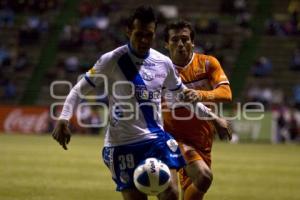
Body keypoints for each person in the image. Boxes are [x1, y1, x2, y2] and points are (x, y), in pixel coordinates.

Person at [52, 6, 231, 200]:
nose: (144, 40)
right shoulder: (111, 60)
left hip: (156, 140)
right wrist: (63, 119)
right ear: (129, 31)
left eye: (149, 35)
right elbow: (79, 89)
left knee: (171, 193)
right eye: (139, 34)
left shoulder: (163, 63)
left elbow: (184, 96)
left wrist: (214, 119)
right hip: (122, 146)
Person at [163, 20, 232, 200]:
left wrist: (200, 95)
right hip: (170, 138)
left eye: (185, 39)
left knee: (201, 183)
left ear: (193, 42)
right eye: (175, 39)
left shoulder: (207, 64)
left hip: (201, 139)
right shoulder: (161, 71)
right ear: (166, 44)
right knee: (179, 187)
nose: (180, 44)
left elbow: (226, 92)